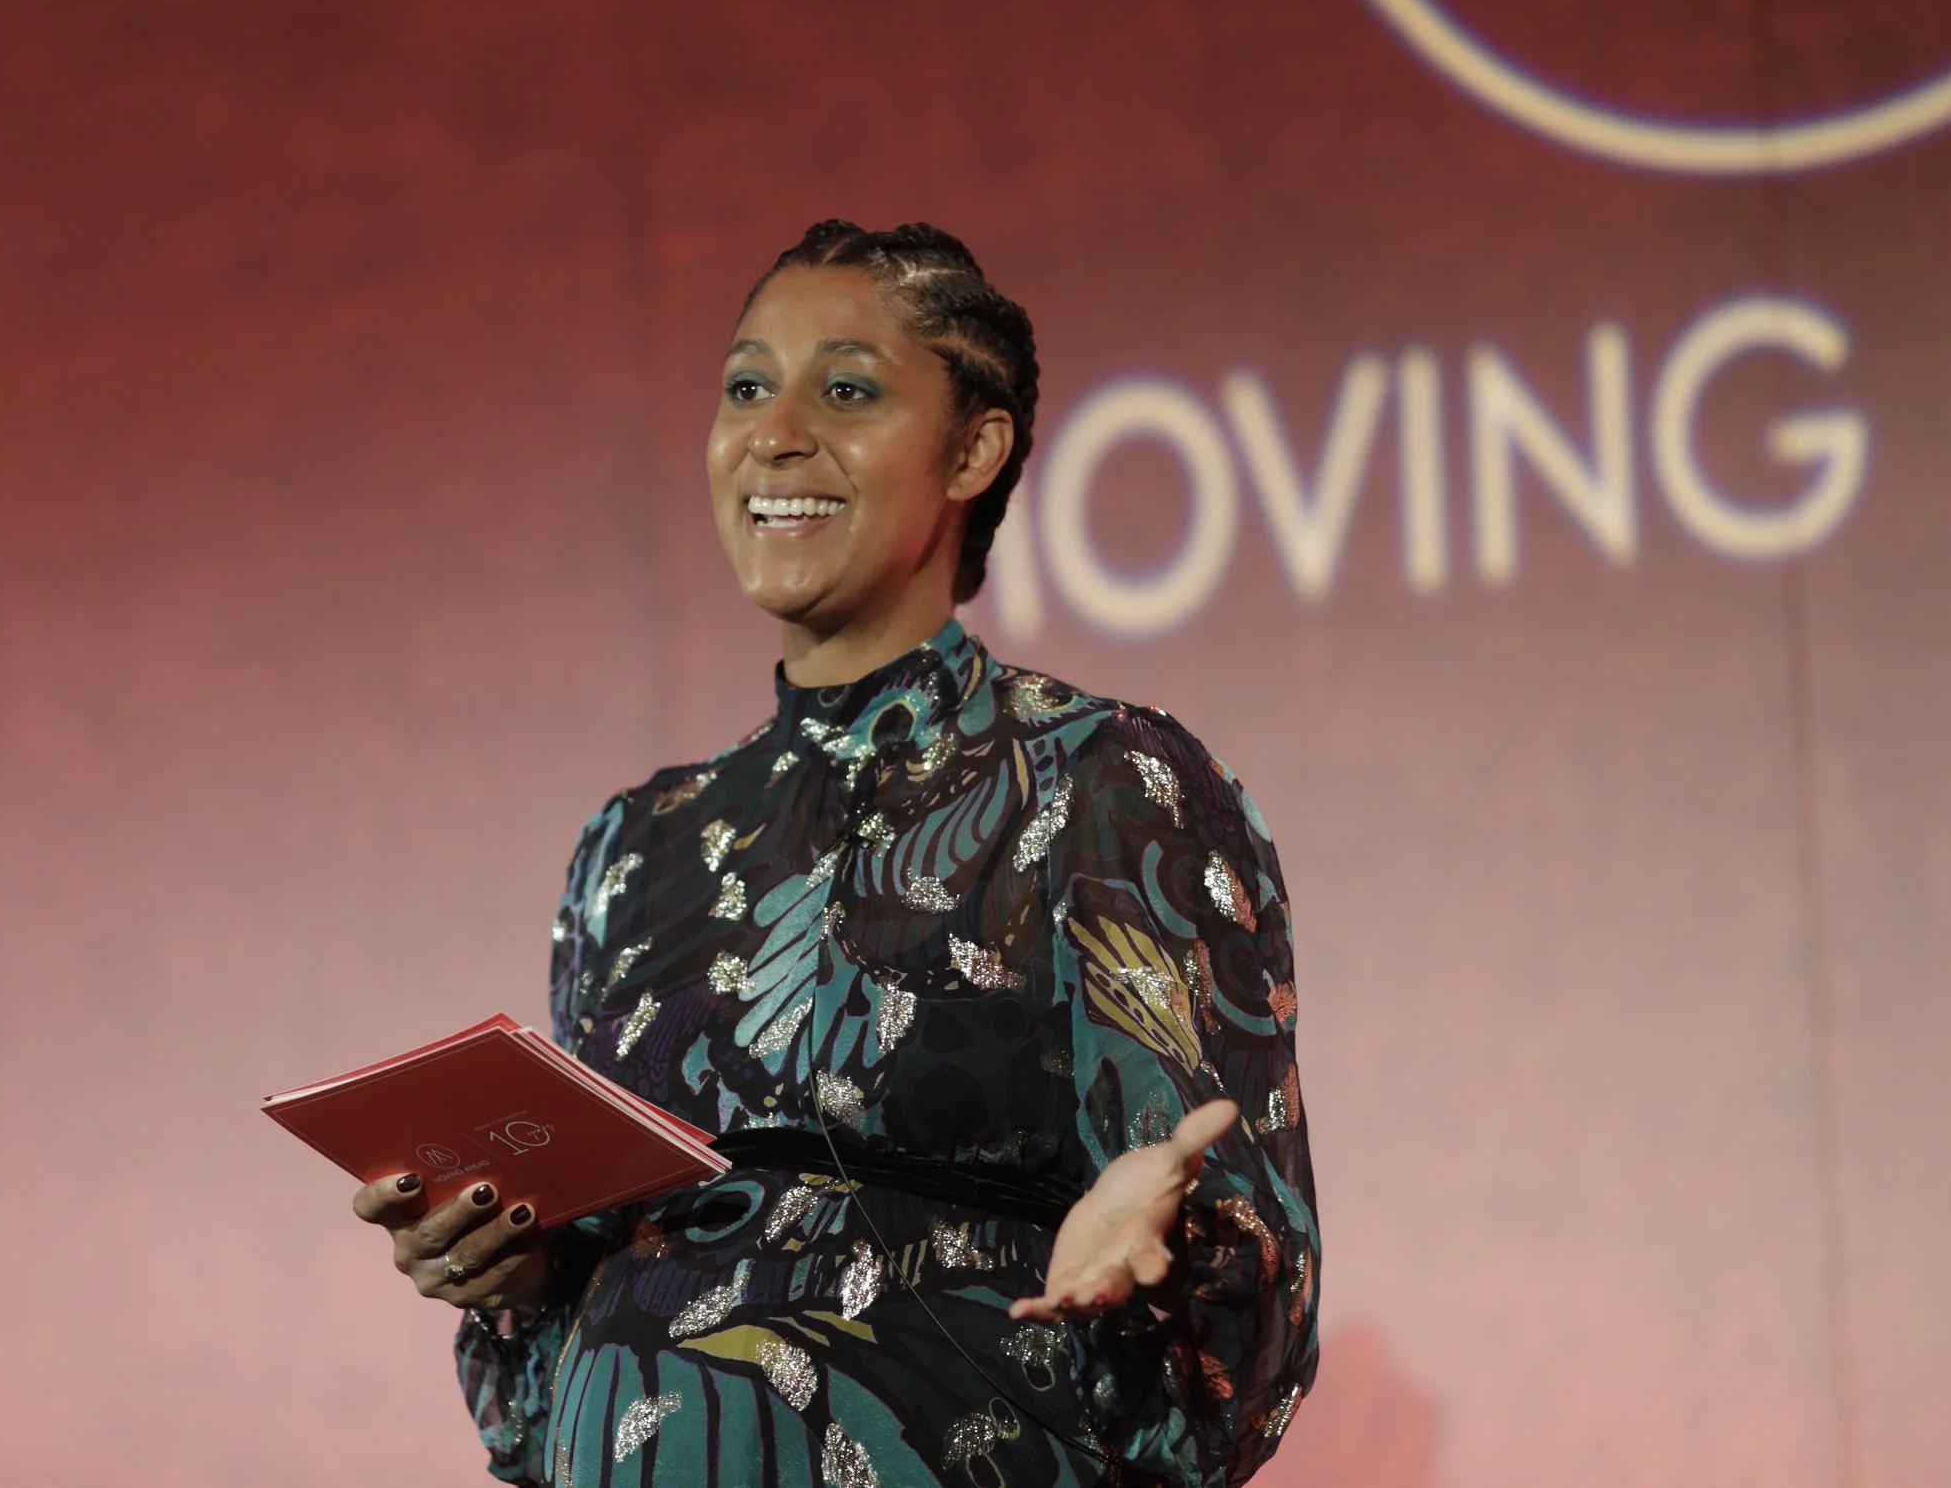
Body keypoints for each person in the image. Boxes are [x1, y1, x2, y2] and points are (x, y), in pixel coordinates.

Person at [354, 221, 1319, 1487]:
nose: (776, 431)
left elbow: (1247, 1275)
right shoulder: (633, 843)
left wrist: (1172, 1237)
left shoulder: (1101, 777)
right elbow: (545, 1378)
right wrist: (516, 1273)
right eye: (747, 384)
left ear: (974, 447)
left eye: (847, 390)